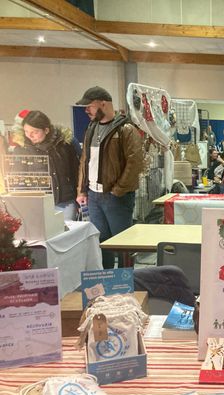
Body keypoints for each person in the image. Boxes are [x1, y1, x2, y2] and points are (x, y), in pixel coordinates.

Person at [75, 86, 143, 269]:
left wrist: (118, 190)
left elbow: (135, 162)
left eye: (89, 105)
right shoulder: (91, 128)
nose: (86, 110)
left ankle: (125, 283)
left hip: (116, 197)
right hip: (94, 196)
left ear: (102, 103)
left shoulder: (126, 129)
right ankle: (106, 281)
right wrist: (82, 189)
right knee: (102, 242)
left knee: (123, 244)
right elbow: (85, 161)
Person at [19, 111, 80, 221]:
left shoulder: (64, 144)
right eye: (26, 131)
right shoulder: (22, 149)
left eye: (35, 132)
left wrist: (80, 194)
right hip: (38, 204)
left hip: (65, 201)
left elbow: (76, 171)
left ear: (46, 130)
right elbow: (19, 179)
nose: (30, 135)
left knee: (66, 234)